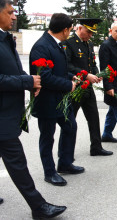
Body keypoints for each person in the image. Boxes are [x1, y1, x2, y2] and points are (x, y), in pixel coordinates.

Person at [0, 0, 66, 218]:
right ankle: (39, 207)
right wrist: (26, 81)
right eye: (10, 12)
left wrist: (28, 82)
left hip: (7, 110)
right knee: (17, 162)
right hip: (2, 116)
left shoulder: (4, 38)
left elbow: (11, 71)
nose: (14, 16)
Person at [30, 13, 84, 186]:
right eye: (70, 30)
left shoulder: (57, 44)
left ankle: (65, 163)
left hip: (60, 99)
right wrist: (68, 85)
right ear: (65, 30)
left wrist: (73, 77)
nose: (70, 33)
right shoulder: (41, 47)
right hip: (47, 101)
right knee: (48, 136)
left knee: (70, 126)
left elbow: (59, 71)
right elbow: (44, 77)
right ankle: (49, 172)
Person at [63, 18, 114, 155]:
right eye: (88, 32)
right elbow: (67, 66)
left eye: (92, 33)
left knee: (93, 118)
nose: (90, 35)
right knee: (70, 122)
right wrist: (86, 76)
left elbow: (92, 63)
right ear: (79, 29)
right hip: (75, 87)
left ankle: (96, 147)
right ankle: (67, 155)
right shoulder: (69, 43)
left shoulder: (89, 44)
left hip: (88, 88)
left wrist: (97, 74)